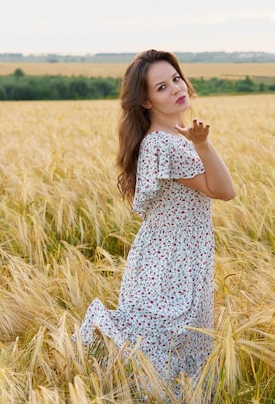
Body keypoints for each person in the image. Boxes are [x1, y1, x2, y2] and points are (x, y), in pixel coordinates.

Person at [75, 49, 235, 398]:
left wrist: (197, 143)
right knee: (167, 357)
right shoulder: (167, 145)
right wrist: (204, 145)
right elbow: (225, 190)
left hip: (165, 260)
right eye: (161, 87)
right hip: (172, 266)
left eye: (176, 78)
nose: (176, 88)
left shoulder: (166, 140)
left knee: (159, 354)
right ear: (145, 102)